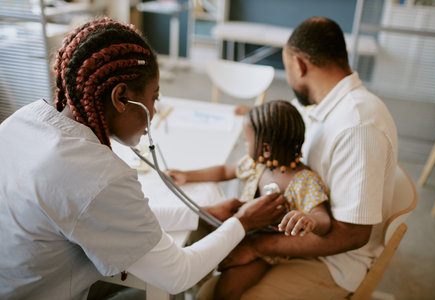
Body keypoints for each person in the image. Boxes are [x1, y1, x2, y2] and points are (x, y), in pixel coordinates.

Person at [0, 17, 287, 299]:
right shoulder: (97, 176)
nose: (156, 110)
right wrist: (244, 222)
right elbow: (177, 275)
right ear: (121, 98)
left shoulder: (21, 121)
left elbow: (95, 214)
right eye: (155, 97)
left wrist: (199, 213)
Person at [197, 17, 398, 300]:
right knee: (205, 258)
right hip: (293, 236)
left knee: (214, 293)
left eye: (287, 67)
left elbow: (353, 235)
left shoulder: (358, 125)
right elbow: (280, 122)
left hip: (332, 261)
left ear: (300, 65)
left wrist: (258, 246)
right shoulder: (320, 103)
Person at [167, 100, 332, 299]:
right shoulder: (258, 165)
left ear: (267, 149)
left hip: (266, 251)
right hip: (241, 230)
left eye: (247, 141)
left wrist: (310, 220)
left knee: (226, 289)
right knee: (191, 237)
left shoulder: (304, 181)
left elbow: (324, 220)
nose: (245, 145)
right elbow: (225, 170)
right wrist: (187, 175)